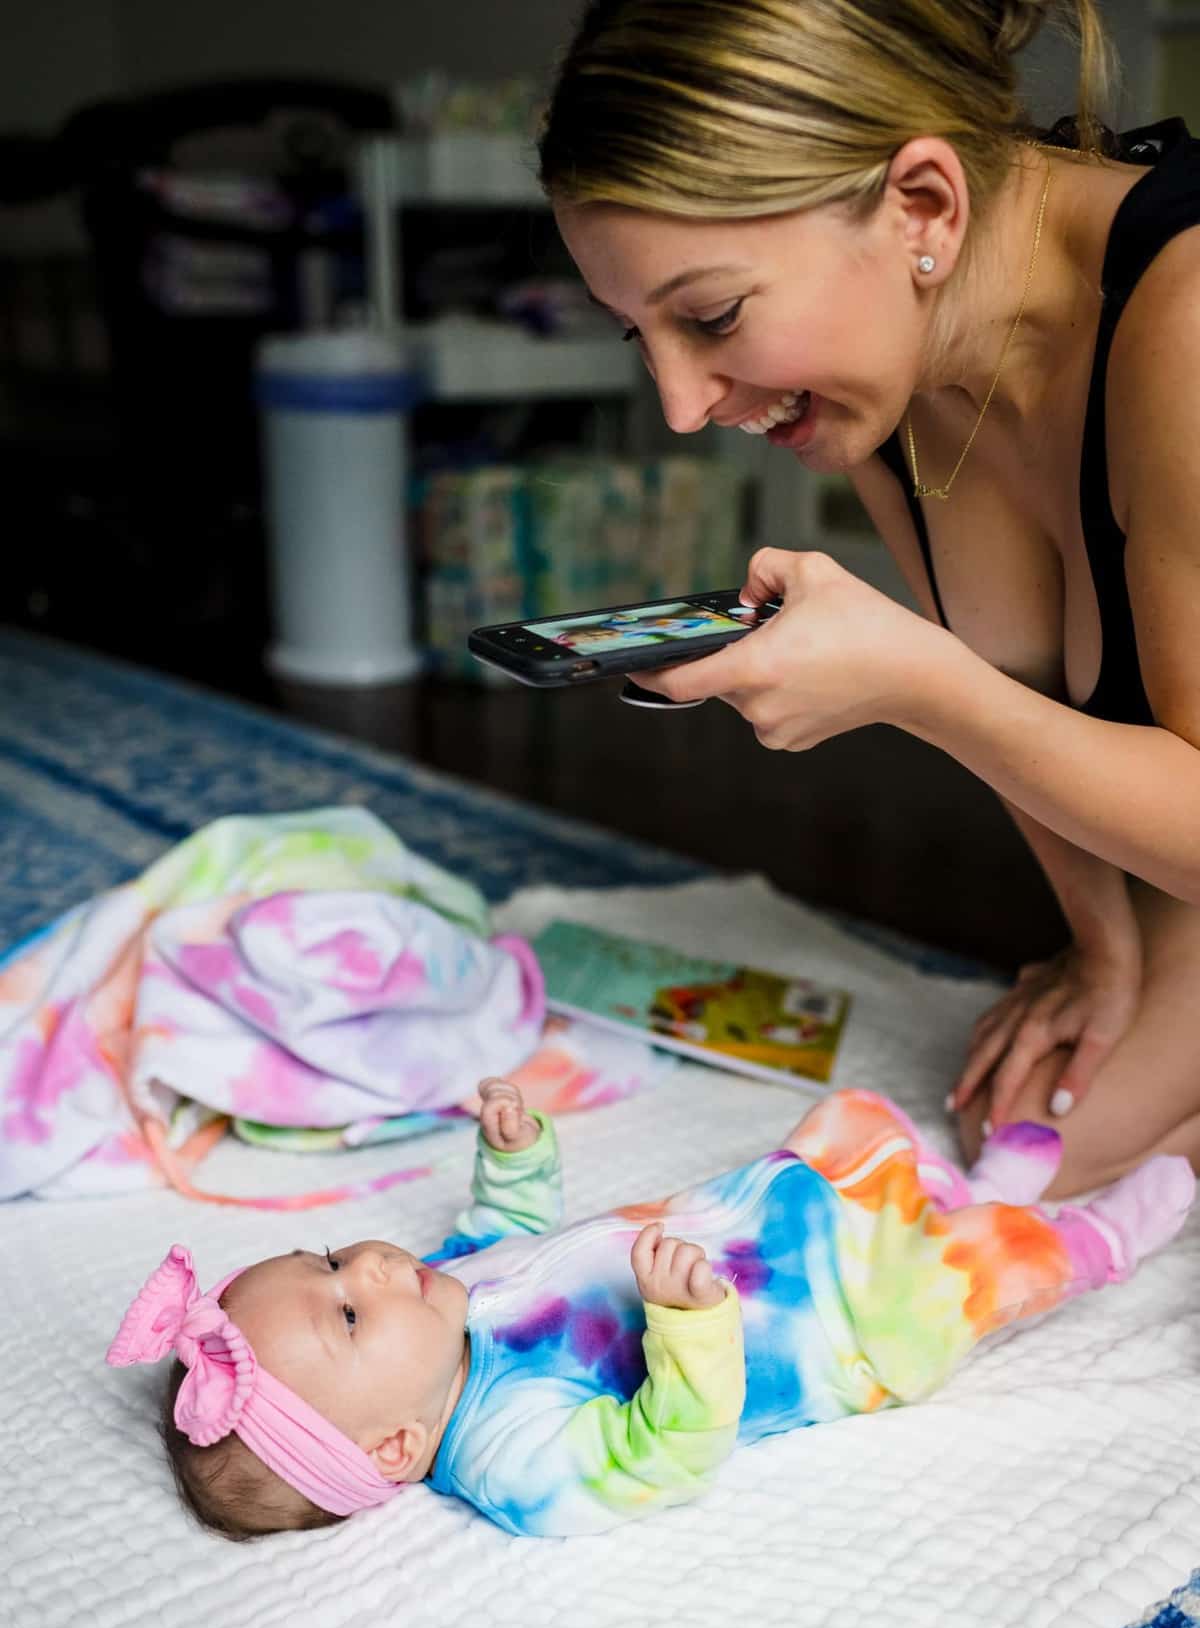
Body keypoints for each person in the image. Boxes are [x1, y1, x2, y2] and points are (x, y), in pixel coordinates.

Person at [536, 0, 1200, 1200]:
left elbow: (980, 693)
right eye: (640, 334)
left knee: (1049, 1179)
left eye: (715, 315)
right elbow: (1027, 688)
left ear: (924, 209)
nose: (684, 406)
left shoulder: (1189, 321)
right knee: (1036, 1147)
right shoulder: (893, 381)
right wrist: (1100, 948)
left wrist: (918, 686)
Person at [106, 1077, 1191, 1541]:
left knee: (856, 1140)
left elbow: (505, 1227)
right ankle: (1095, 1240)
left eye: (334, 1256)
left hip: (761, 1216)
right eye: (349, 1312)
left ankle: (979, 1189)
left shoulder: (439, 1297)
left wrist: (515, 1156)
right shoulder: (509, 1455)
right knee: (979, 1272)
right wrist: (686, 1325)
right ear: (395, 1443)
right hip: (847, 1321)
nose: (378, 1265)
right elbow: (669, 1448)